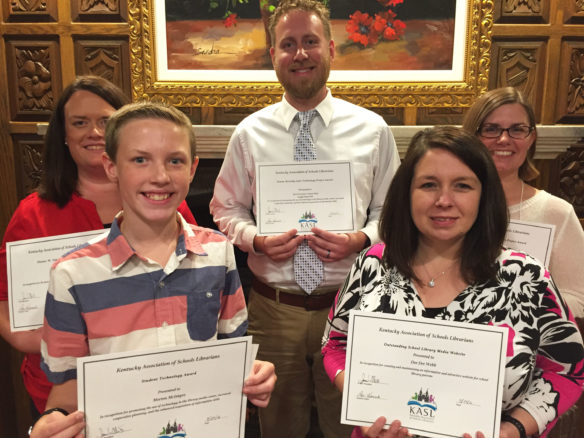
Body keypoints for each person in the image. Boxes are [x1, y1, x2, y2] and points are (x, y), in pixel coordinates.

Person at [30, 102, 276, 438]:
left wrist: (253, 376)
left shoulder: (218, 251)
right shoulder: (71, 274)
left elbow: (231, 351)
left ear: (193, 169)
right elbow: (65, 389)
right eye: (140, 159)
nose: (160, 176)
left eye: (175, 160)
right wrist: (51, 423)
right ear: (111, 166)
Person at [209, 0, 400, 436]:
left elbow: (391, 212)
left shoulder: (372, 130)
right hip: (275, 310)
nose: (300, 54)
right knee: (278, 427)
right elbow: (225, 208)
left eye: (310, 42)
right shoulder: (249, 133)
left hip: (353, 308)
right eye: (288, 44)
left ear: (331, 48)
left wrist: (361, 240)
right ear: (272, 55)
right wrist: (256, 240)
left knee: (351, 425)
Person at [322, 126, 584, 438]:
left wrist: (510, 431)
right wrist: (362, 407)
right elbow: (336, 343)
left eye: (462, 186)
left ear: (483, 196)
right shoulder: (373, 263)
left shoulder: (527, 277)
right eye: (429, 185)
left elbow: (567, 372)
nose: (444, 200)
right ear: (406, 194)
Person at [0, 76, 197, 417]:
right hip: (65, 394)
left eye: (105, 121)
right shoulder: (32, 214)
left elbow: (194, 275)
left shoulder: (165, 200)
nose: (93, 132)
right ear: (63, 134)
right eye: (80, 123)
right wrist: (29, 340)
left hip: (151, 383)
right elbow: (3, 300)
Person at [462, 86, 584, 319]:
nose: (504, 139)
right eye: (491, 129)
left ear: (531, 138)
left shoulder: (557, 213)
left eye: (517, 129)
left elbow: (579, 296)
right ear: (473, 136)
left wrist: (517, 302)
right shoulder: (448, 208)